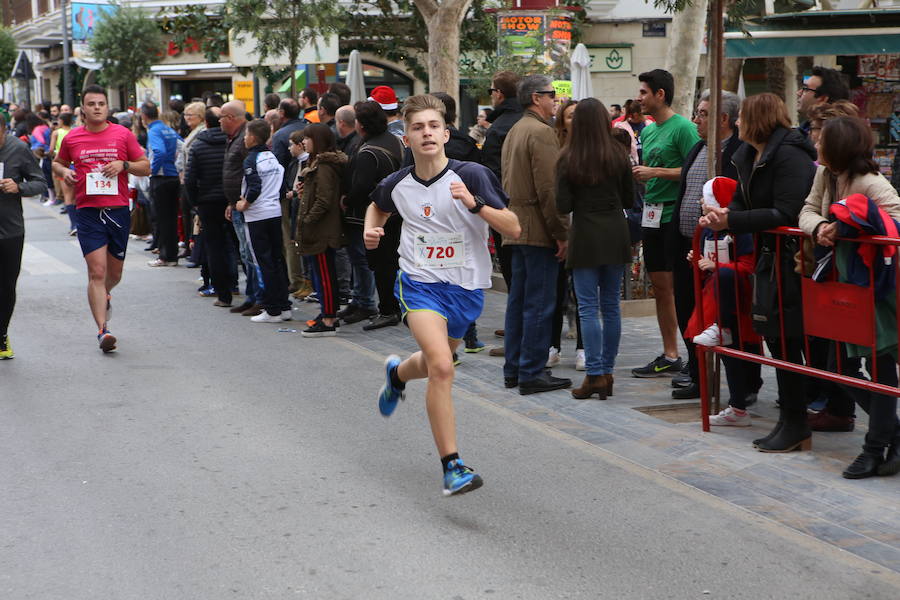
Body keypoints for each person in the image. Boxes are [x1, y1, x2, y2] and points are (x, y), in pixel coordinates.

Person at [364, 93, 520, 496]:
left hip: (466, 288)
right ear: (407, 139)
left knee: (441, 360)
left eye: (433, 126)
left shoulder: (472, 175)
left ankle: (397, 373)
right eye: (418, 127)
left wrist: (476, 204)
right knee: (443, 368)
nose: (427, 133)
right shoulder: (397, 183)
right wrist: (372, 229)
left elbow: (513, 228)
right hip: (418, 283)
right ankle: (453, 466)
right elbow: (377, 206)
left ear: (446, 133)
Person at [700, 93, 816, 452]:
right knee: (778, 341)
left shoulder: (789, 153)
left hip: (794, 261)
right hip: (770, 261)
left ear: (757, 119)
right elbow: (742, 201)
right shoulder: (750, 154)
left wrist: (732, 219)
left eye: (742, 117)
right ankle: (791, 421)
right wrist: (722, 216)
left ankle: (799, 421)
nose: (736, 123)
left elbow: (787, 212)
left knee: (793, 343)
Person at [799, 116, 900, 477]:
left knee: (880, 367)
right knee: (839, 369)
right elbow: (806, 211)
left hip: (876, 289)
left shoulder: (870, 182)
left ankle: (874, 449)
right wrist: (822, 227)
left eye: (821, 139)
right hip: (843, 288)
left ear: (838, 146)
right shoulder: (824, 175)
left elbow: (894, 218)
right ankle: (894, 434)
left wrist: (850, 228)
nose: (815, 144)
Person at [53, 85, 150, 352]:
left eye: (101, 103)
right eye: (91, 103)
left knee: (113, 273)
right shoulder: (72, 138)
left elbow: (146, 166)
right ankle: (102, 331)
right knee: (96, 272)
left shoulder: (123, 134)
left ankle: (106, 293)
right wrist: (65, 172)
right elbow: (57, 162)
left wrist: (124, 165)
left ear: (107, 107)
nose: (96, 107)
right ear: (83, 109)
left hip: (117, 210)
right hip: (88, 212)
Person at [668, 89, 746, 400]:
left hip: (722, 250)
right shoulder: (698, 147)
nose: (696, 119)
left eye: (703, 113)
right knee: (688, 310)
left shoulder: (739, 152)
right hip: (688, 245)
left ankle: (737, 386)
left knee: (720, 317)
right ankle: (697, 373)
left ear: (724, 119)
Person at [556, 99, 633, 399]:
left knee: (588, 307)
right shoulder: (618, 154)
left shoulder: (568, 157)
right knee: (611, 305)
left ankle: (595, 374)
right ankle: (608, 372)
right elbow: (629, 199)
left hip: (586, 232)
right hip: (616, 230)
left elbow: (562, 204)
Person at [501, 74, 570, 395]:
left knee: (519, 302)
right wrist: (561, 233)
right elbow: (548, 189)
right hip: (536, 227)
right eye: (551, 95)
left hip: (516, 224)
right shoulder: (540, 132)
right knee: (540, 303)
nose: (555, 100)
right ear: (535, 98)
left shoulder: (516, 129)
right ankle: (531, 371)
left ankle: (515, 368)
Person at [631, 69, 701, 378]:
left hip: (675, 216)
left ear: (661, 94)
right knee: (660, 287)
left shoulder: (684, 128)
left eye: (644, 92)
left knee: (681, 288)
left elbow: (696, 169)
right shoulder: (647, 130)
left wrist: (656, 173)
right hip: (651, 215)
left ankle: (693, 355)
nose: (639, 97)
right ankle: (670, 352)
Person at [685, 177, 762, 427]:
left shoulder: (740, 231)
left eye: (706, 199)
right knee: (728, 351)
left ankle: (740, 402)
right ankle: (737, 407)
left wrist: (717, 266)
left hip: (738, 301)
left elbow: (748, 266)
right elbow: (707, 267)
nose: (700, 203)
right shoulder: (708, 229)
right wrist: (697, 260)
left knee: (736, 348)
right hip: (718, 299)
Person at [344, 101, 403, 329]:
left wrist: (347, 200)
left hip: (377, 214)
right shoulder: (395, 141)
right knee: (391, 262)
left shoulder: (369, 151)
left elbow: (361, 186)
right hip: (398, 209)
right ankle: (393, 306)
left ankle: (388, 309)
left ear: (360, 124)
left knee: (381, 264)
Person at [0, 114, 49, 359]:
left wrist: (18, 187)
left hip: (10, 231)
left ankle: (2, 334)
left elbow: (40, 182)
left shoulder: (18, 149)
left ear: (3, 131)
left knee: (6, 286)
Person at [235, 119, 291, 323]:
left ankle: (272, 310)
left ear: (253, 137)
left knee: (264, 262)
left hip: (258, 215)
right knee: (277, 259)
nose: (244, 139)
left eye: (246, 135)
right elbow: (282, 184)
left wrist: (244, 204)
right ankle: (284, 306)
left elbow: (255, 187)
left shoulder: (252, 159)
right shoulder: (272, 156)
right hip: (274, 212)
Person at [481, 71, 523, 337]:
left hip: (505, 206)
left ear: (499, 94)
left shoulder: (499, 127)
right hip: (529, 205)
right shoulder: (530, 120)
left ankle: (517, 324)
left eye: (492, 91)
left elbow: (492, 172)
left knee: (511, 265)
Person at [295, 123, 348, 336]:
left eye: (307, 139)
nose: (304, 142)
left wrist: (308, 219)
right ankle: (327, 313)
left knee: (325, 275)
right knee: (322, 273)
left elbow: (324, 199)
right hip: (319, 227)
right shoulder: (317, 163)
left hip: (323, 229)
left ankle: (328, 319)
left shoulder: (325, 166)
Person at [184, 109, 233, 308]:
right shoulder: (231, 142)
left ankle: (223, 294)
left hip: (207, 201)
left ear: (206, 122)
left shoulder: (198, 145)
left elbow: (189, 178)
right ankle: (241, 287)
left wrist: (195, 201)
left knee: (214, 247)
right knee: (236, 244)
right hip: (230, 200)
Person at [221, 100, 262, 317]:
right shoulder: (235, 138)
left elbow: (253, 175)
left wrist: (245, 201)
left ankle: (258, 297)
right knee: (245, 253)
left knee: (250, 253)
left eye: (221, 117)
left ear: (231, 118)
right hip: (237, 204)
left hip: (247, 206)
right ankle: (252, 296)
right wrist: (231, 202)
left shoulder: (246, 138)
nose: (219, 121)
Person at [270, 98, 309, 296]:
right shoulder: (307, 126)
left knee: (291, 238)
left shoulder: (280, 135)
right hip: (293, 194)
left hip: (289, 196)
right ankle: (302, 279)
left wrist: (283, 193)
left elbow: (276, 168)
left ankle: (297, 279)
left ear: (282, 113)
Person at [142, 102, 182, 267]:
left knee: (162, 219)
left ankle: (166, 256)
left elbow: (159, 151)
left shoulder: (154, 131)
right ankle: (172, 255)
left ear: (144, 116)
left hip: (161, 178)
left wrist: (151, 169)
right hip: (173, 177)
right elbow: (181, 145)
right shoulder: (168, 129)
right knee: (171, 218)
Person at [797, 65, 850, 136]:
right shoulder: (802, 131)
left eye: (806, 89)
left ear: (822, 98)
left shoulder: (841, 136)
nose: (798, 93)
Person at [49, 112, 76, 235]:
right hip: (76, 164)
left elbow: (51, 149)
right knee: (78, 196)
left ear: (61, 121)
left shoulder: (56, 133)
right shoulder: (74, 132)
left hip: (63, 165)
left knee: (68, 196)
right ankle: (80, 224)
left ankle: (74, 225)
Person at [613, 100, 653, 165]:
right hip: (632, 164)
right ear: (635, 115)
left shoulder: (649, 124)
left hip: (649, 163)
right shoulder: (622, 127)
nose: (645, 116)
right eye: (642, 114)